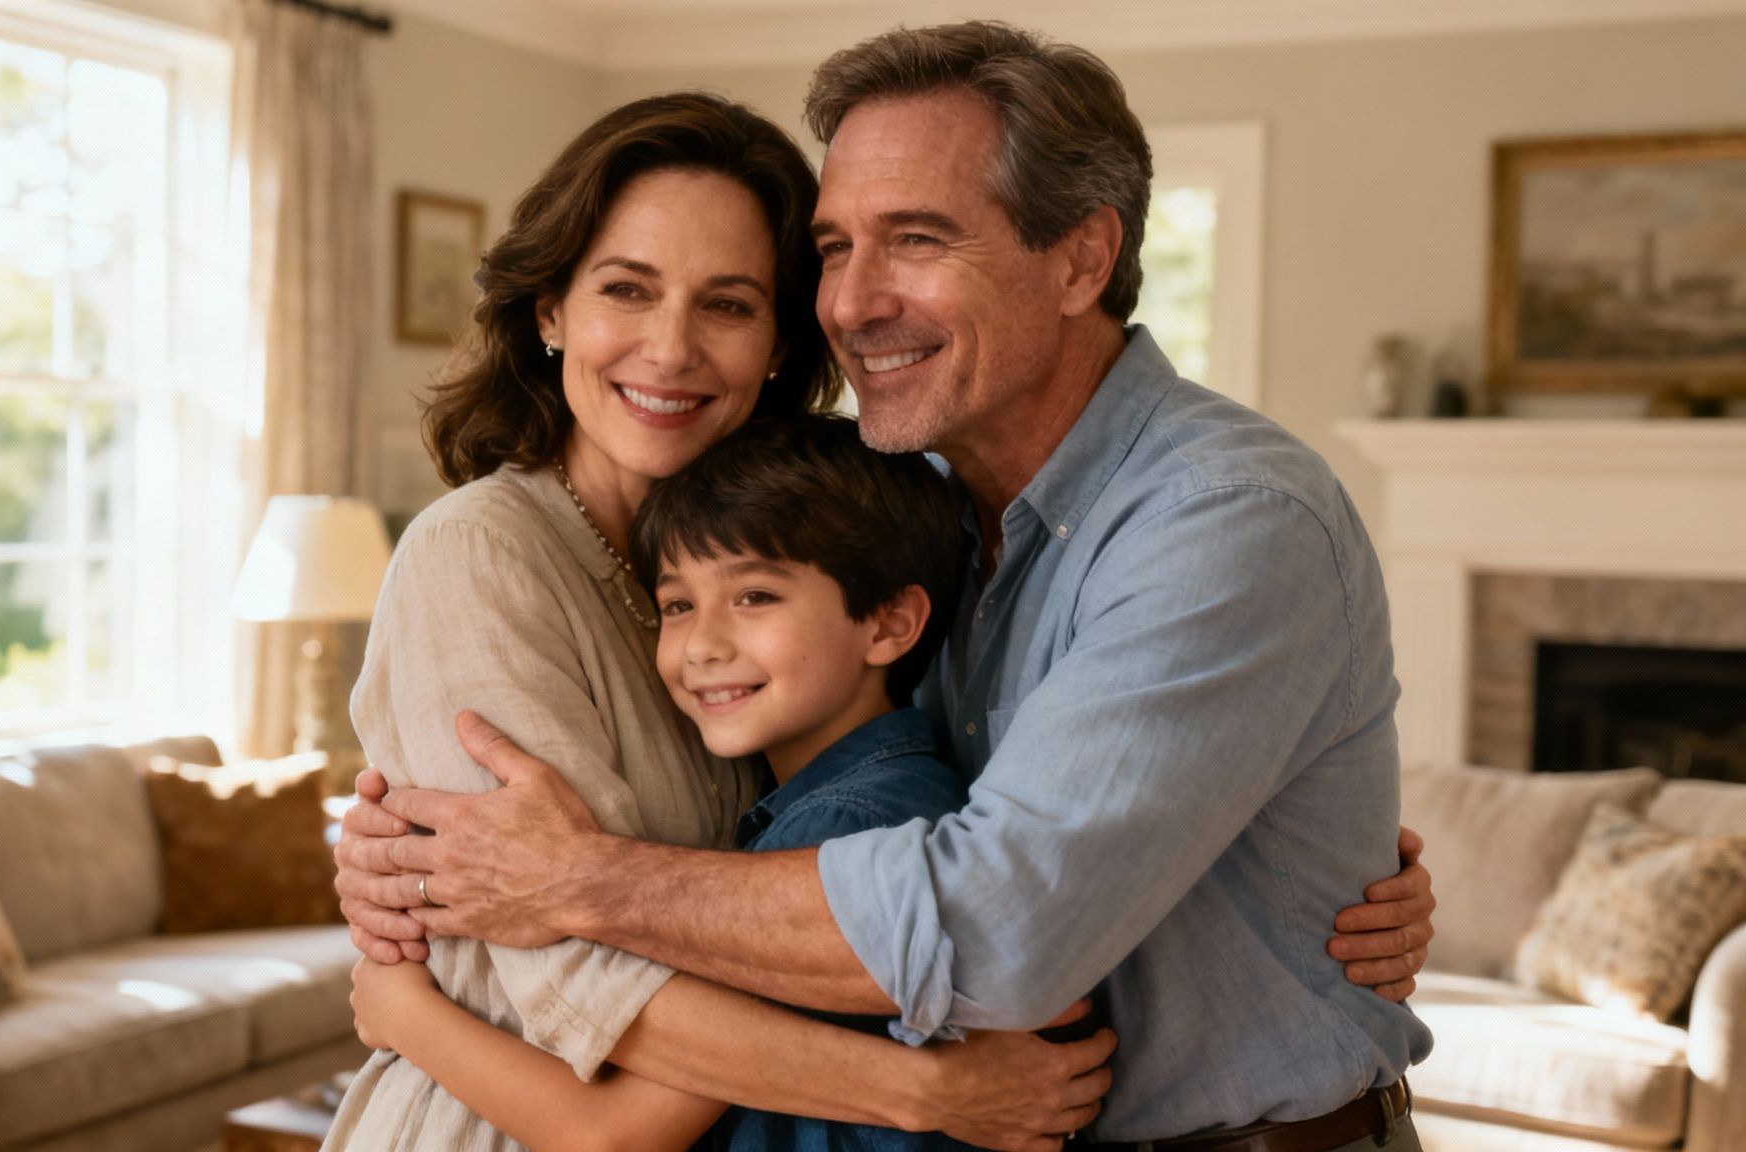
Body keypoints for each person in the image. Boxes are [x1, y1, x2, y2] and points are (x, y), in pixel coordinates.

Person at [338, 22, 1439, 1152]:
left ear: (1081, 259)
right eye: (834, 248)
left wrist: (574, 879)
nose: (853, 303)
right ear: (550, 309)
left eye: (916, 239)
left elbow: (998, 927)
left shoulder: (1222, 518)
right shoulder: (894, 513)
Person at [319, 90, 1125, 1152]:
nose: (670, 350)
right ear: (550, 310)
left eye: (728, 305)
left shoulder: (816, 557)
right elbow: (580, 985)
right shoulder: (479, 552)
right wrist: (922, 1091)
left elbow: (1014, 821)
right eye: (626, 289)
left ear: (780, 343)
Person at [349, 414, 1007, 1151]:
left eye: (755, 597)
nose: (702, 646)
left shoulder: (843, 831)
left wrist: (404, 1014)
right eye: (678, 606)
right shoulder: (846, 798)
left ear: (888, 625)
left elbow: (612, 1135)